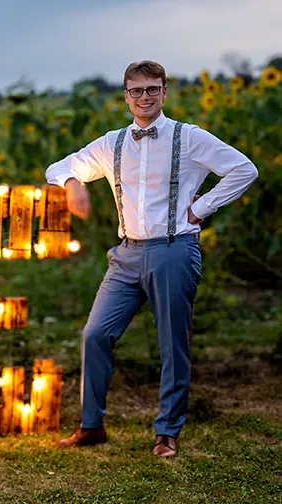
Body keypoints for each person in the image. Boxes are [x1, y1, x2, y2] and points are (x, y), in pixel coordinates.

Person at [45, 60, 257, 457]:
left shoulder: (188, 138)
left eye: (152, 90)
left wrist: (202, 208)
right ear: (126, 96)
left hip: (174, 250)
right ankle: (91, 426)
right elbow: (58, 167)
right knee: (95, 335)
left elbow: (243, 169)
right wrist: (73, 184)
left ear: (164, 92)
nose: (144, 97)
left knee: (171, 343)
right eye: (136, 91)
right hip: (126, 255)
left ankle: (167, 432)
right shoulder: (113, 143)